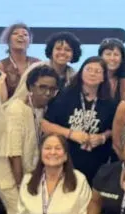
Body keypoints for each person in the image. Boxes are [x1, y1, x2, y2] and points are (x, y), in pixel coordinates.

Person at [43, 56, 116, 185]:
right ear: (81, 72)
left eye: (98, 71)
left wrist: (102, 137)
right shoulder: (65, 96)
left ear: (104, 77)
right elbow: (45, 125)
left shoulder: (109, 102)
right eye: (88, 69)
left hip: (97, 165)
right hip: (66, 162)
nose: (92, 73)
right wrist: (71, 134)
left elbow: (113, 129)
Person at [3, 64, 60, 186]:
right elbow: (14, 153)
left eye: (52, 89)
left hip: (35, 173)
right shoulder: (17, 110)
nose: (48, 93)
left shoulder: (51, 108)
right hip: (11, 175)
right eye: (42, 87)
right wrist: (20, 185)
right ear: (30, 87)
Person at [0, 23, 39, 100]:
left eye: (25, 34)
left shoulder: (37, 64)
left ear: (29, 42)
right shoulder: (0, 67)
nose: (21, 36)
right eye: (15, 33)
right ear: (7, 40)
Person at [99, 38, 125, 102]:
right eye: (108, 54)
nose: (112, 58)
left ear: (122, 58)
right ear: (100, 57)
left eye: (116, 54)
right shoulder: (93, 78)